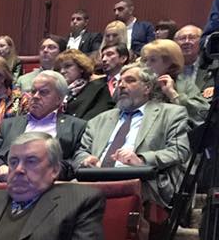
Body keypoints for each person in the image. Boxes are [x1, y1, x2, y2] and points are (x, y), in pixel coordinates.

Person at [75, 63, 190, 208]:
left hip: (142, 180)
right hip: (96, 178)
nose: (121, 85)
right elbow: (81, 152)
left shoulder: (171, 114)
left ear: (147, 88)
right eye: (119, 82)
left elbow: (179, 150)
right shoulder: (99, 120)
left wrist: (141, 160)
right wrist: (86, 160)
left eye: (130, 80)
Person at [0, 71, 86, 182]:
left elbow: (75, 162)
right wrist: (0, 168)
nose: (36, 96)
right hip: (7, 182)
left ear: (59, 99)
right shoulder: (9, 124)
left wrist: (44, 171)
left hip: (51, 185)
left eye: (43, 92)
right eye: (33, 91)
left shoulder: (75, 126)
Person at [140, 39, 210, 126]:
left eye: (153, 60)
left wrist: (173, 94)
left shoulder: (184, 83)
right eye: (145, 60)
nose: (147, 64)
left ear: (170, 62)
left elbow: (203, 115)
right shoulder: (140, 82)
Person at [55, 49, 116, 122]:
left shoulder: (97, 88)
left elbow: (98, 118)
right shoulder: (58, 93)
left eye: (68, 66)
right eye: (59, 69)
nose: (62, 71)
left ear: (81, 67)